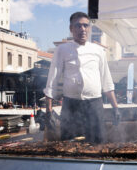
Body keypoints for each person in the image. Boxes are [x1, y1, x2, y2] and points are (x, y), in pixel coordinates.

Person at [44, 12, 120, 143]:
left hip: (95, 105)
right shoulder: (62, 49)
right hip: (71, 105)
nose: (82, 29)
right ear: (71, 29)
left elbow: (107, 81)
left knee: (97, 144)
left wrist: (116, 108)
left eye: (85, 25)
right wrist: (48, 110)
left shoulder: (98, 51)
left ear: (89, 28)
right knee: (69, 145)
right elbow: (52, 80)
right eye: (78, 26)